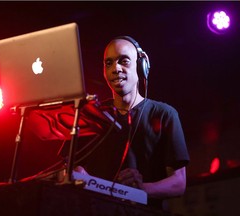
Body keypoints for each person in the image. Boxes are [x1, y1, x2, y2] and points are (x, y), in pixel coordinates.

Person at [74, 36, 190, 210]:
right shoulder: (90, 114)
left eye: (124, 61)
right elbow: (71, 167)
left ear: (141, 66)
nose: (116, 68)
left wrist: (142, 189)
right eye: (109, 63)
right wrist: (77, 174)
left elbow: (179, 183)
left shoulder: (164, 114)